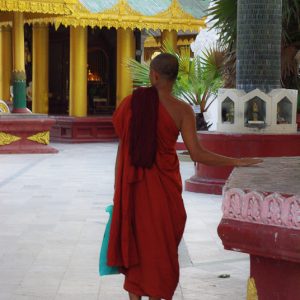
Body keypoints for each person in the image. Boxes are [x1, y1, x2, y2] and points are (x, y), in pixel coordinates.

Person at [107, 53, 262, 300]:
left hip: (133, 188)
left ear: (154, 75)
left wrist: (119, 189)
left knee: (136, 241)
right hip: (163, 192)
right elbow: (198, 153)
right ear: (174, 79)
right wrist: (235, 161)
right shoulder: (182, 110)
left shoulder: (130, 103)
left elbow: (122, 149)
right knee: (161, 245)